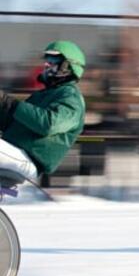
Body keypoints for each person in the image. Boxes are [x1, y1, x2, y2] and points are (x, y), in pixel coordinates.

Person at [0, 40, 86, 182]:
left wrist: (12, 104)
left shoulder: (71, 98)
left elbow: (49, 124)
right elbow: (14, 123)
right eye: (47, 60)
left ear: (68, 66)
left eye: (53, 60)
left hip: (27, 158)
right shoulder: (42, 95)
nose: (46, 64)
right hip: (13, 151)